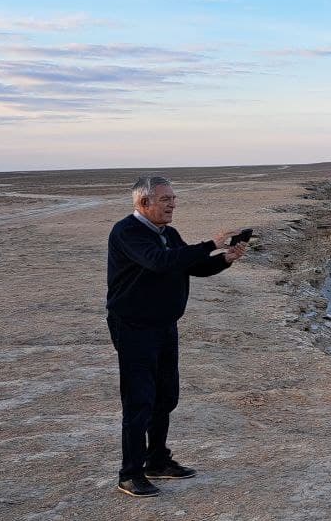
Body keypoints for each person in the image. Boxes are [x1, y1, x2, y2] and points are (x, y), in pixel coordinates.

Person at [105, 176, 248, 497]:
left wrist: (224, 259)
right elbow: (158, 263)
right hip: (134, 328)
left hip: (165, 326)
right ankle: (130, 473)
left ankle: (157, 460)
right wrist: (211, 244)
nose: (172, 204)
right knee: (139, 400)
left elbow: (190, 267)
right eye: (165, 199)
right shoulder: (126, 231)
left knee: (166, 396)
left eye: (173, 198)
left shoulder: (168, 234)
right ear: (143, 203)